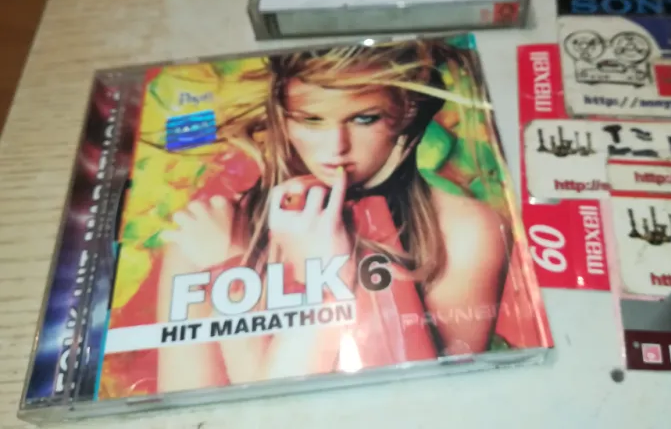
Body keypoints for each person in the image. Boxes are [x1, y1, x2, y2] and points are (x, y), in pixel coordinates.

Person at [154, 39, 514, 391]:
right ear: (283, 117)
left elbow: (427, 402)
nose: (336, 147)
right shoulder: (210, 232)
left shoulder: (465, 230)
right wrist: (233, 270)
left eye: (364, 118)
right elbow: (202, 415)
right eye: (311, 119)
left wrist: (245, 276)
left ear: (407, 112)